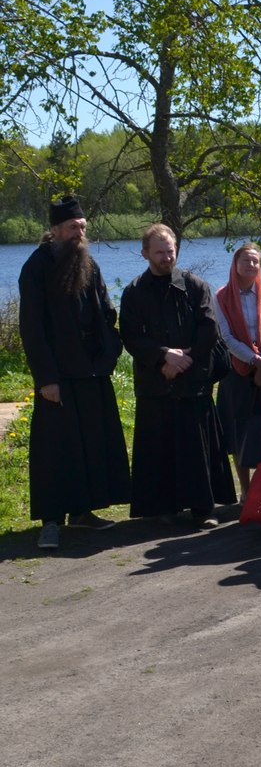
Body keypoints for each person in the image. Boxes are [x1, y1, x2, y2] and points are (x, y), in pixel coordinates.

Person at [19, 196, 130, 551]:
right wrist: (45, 378)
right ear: (54, 230)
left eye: (82, 227)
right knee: (56, 448)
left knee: (89, 443)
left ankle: (83, 512)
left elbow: (105, 310)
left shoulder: (88, 263)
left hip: (91, 370)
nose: (78, 233)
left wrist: (109, 352)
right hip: (58, 374)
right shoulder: (36, 267)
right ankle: (51, 520)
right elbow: (32, 329)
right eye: (72, 228)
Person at [121, 224, 234, 528]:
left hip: (192, 380)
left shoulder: (195, 286)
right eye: (159, 252)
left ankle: (203, 509)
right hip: (155, 383)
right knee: (160, 448)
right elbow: (130, 336)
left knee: (196, 450)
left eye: (170, 250)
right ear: (145, 254)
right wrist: (163, 356)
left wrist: (185, 358)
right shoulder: (133, 292)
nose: (166, 257)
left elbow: (209, 328)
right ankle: (163, 508)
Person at [214, 243, 261, 500]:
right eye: (246, 261)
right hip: (237, 371)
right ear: (235, 264)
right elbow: (225, 337)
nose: (251, 265)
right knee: (237, 431)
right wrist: (254, 360)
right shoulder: (221, 296)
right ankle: (245, 489)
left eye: (256, 261)